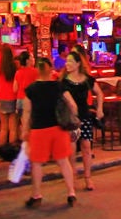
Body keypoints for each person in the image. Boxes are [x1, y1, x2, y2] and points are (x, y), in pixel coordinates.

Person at [19, 57, 79, 209]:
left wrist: (24, 130)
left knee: (37, 164)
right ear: (51, 68)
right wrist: (73, 120)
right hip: (58, 128)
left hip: (39, 130)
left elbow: (26, 112)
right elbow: (72, 104)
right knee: (63, 161)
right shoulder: (58, 86)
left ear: (38, 70)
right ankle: (71, 192)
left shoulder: (31, 89)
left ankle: (37, 195)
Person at [63, 47, 104, 191]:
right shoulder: (64, 82)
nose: (67, 64)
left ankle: (88, 177)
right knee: (72, 149)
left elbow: (99, 93)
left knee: (86, 146)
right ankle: (72, 177)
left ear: (78, 64)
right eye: (66, 61)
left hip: (85, 116)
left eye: (70, 61)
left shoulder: (87, 80)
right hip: (71, 119)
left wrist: (99, 108)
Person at [0, 45, 19, 152]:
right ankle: (12, 149)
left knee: (3, 126)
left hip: (2, 97)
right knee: (13, 127)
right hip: (13, 96)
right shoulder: (15, 66)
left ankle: (2, 148)